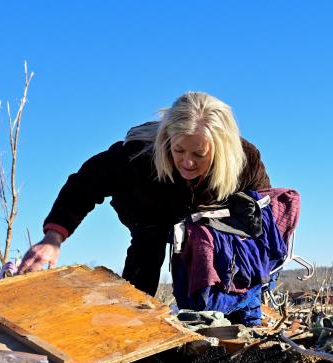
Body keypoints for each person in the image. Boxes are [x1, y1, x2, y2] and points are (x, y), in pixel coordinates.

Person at [17, 92, 271, 296]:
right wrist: (53, 238)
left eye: (199, 155)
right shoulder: (137, 157)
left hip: (207, 213)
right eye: (179, 150)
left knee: (213, 253)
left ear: (221, 150)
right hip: (147, 206)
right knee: (148, 246)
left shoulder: (244, 161)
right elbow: (84, 185)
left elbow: (268, 204)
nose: (187, 163)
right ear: (167, 138)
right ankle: (133, 321)